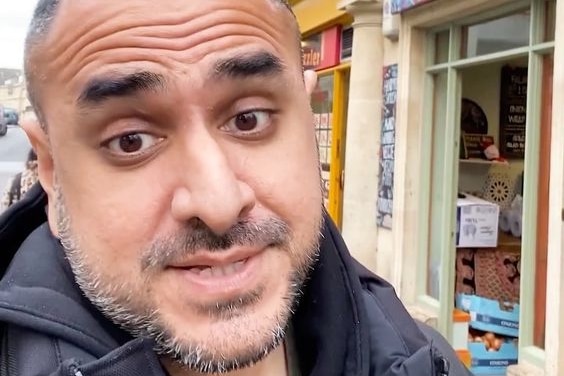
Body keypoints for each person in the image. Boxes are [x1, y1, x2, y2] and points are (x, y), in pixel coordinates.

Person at [0, 0, 471, 375]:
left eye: (250, 119)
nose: (219, 203)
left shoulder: (422, 360)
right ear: (51, 170)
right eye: (131, 141)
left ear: (308, 122)